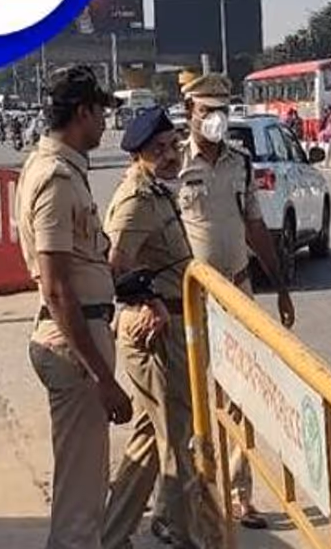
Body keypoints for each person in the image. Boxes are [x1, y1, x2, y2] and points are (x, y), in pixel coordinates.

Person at [17, 66, 133, 549]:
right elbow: (58, 288)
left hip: (78, 334)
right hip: (74, 342)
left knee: (81, 486)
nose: (106, 124)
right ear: (82, 113)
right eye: (101, 113)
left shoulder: (59, 169)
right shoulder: (56, 178)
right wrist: (104, 379)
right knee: (80, 504)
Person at [177, 72, 296, 530]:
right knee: (191, 396)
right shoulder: (173, 164)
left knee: (239, 393)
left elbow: (255, 227)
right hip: (194, 297)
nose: (216, 121)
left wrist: (280, 284)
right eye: (207, 112)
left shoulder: (240, 163)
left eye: (222, 112)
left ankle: (239, 494)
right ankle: (194, 492)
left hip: (239, 290)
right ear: (190, 112)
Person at [101, 107, 202, 549]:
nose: (169, 155)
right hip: (156, 331)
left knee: (148, 437)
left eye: (172, 146)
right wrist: (146, 299)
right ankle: (188, 532)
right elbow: (111, 266)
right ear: (138, 155)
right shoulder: (136, 200)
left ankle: (109, 534)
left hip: (172, 323)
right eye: (157, 150)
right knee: (177, 436)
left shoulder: (157, 192)